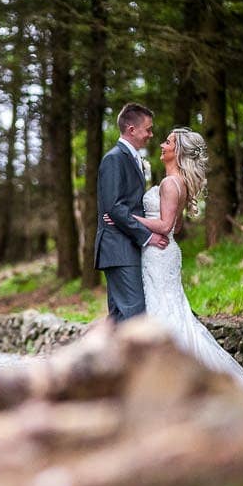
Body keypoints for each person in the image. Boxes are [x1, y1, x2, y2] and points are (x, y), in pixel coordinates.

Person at [126, 127, 243, 394]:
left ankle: (174, 376)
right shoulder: (178, 182)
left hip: (160, 256)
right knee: (171, 309)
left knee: (165, 311)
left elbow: (166, 224)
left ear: (178, 151)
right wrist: (160, 229)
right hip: (163, 252)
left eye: (168, 142)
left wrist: (129, 219)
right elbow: (177, 226)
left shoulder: (171, 183)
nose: (162, 145)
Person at [94, 102, 169, 322]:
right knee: (135, 315)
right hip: (118, 247)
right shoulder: (114, 158)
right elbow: (115, 207)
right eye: (148, 129)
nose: (151, 134)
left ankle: (102, 357)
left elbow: (124, 206)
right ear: (132, 129)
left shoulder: (130, 157)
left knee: (119, 317)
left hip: (124, 245)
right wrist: (148, 236)